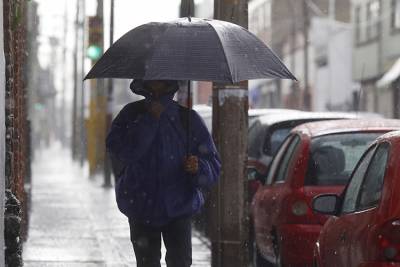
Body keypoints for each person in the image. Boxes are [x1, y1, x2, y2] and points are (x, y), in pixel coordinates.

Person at [106, 79, 221, 267]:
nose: (157, 81)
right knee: (147, 263)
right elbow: (121, 152)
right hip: (140, 205)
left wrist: (198, 167)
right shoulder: (131, 114)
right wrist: (149, 121)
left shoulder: (188, 119)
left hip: (178, 207)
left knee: (180, 262)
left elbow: (213, 165)